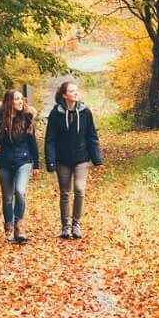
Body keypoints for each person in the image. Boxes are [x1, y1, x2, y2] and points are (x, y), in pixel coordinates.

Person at [44, 79, 102, 239]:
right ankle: (65, 226)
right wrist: (50, 161)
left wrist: (97, 159)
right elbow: (50, 139)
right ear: (64, 95)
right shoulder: (56, 114)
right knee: (65, 192)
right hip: (62, 159)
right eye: (71, 91)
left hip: (81, 158)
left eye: (76, 90)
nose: (75, 93)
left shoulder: (85, 112)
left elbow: (92, 136)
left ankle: (76, 224)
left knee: (79, 189)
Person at [0, 89, 39, 244]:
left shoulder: (27, 117)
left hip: (23, 160)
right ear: (9, 102)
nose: (21, 102)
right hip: (4, 161)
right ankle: (9, 229)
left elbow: (32, 142)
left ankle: (20, 227)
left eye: (22, 99)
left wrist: (36, 164)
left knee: (20, 192)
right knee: (7, 197)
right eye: (17, 99)